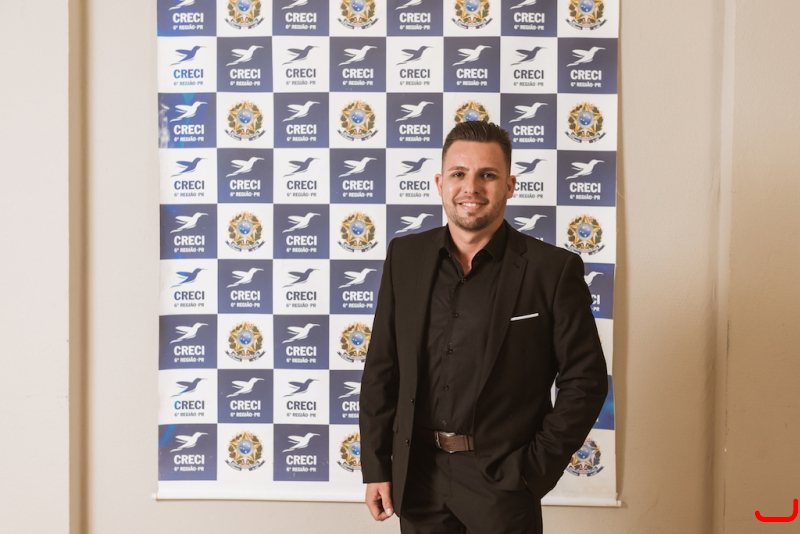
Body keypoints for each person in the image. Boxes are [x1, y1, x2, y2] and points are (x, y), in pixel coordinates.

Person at [359, 121, 608, 533]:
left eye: (487, 175)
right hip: (418, 478)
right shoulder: (405, 257)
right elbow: (382, 368)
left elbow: (586, 380)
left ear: (509, 186)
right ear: (440, 183)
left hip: (503, 483)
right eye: (458, 173)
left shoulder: (552, 270)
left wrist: (533, 470)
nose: (470, 187)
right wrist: (376, 465)